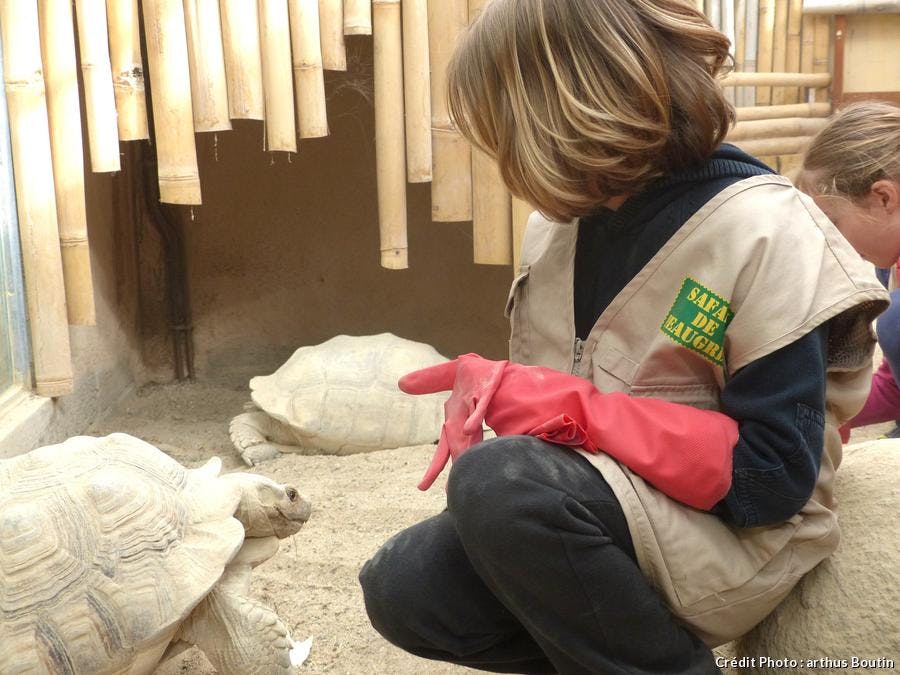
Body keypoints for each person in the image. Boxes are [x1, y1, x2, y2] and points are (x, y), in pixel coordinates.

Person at [359, 2, 889, 673]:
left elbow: (772, 481)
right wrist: (511, 395)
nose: (504, 155)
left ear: (570, 111)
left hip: (737, 535)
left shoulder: (764, 229)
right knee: (401, 587)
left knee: (501, 485)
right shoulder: (556, 231)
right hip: (621, 518)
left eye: (508, 128)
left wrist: (572, 412)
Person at [796, 101, 900, 440]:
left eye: (832, 224)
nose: (828, 243)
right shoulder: (889, 260)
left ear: (884, 198)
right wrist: (818, 411)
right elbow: (896, 385)